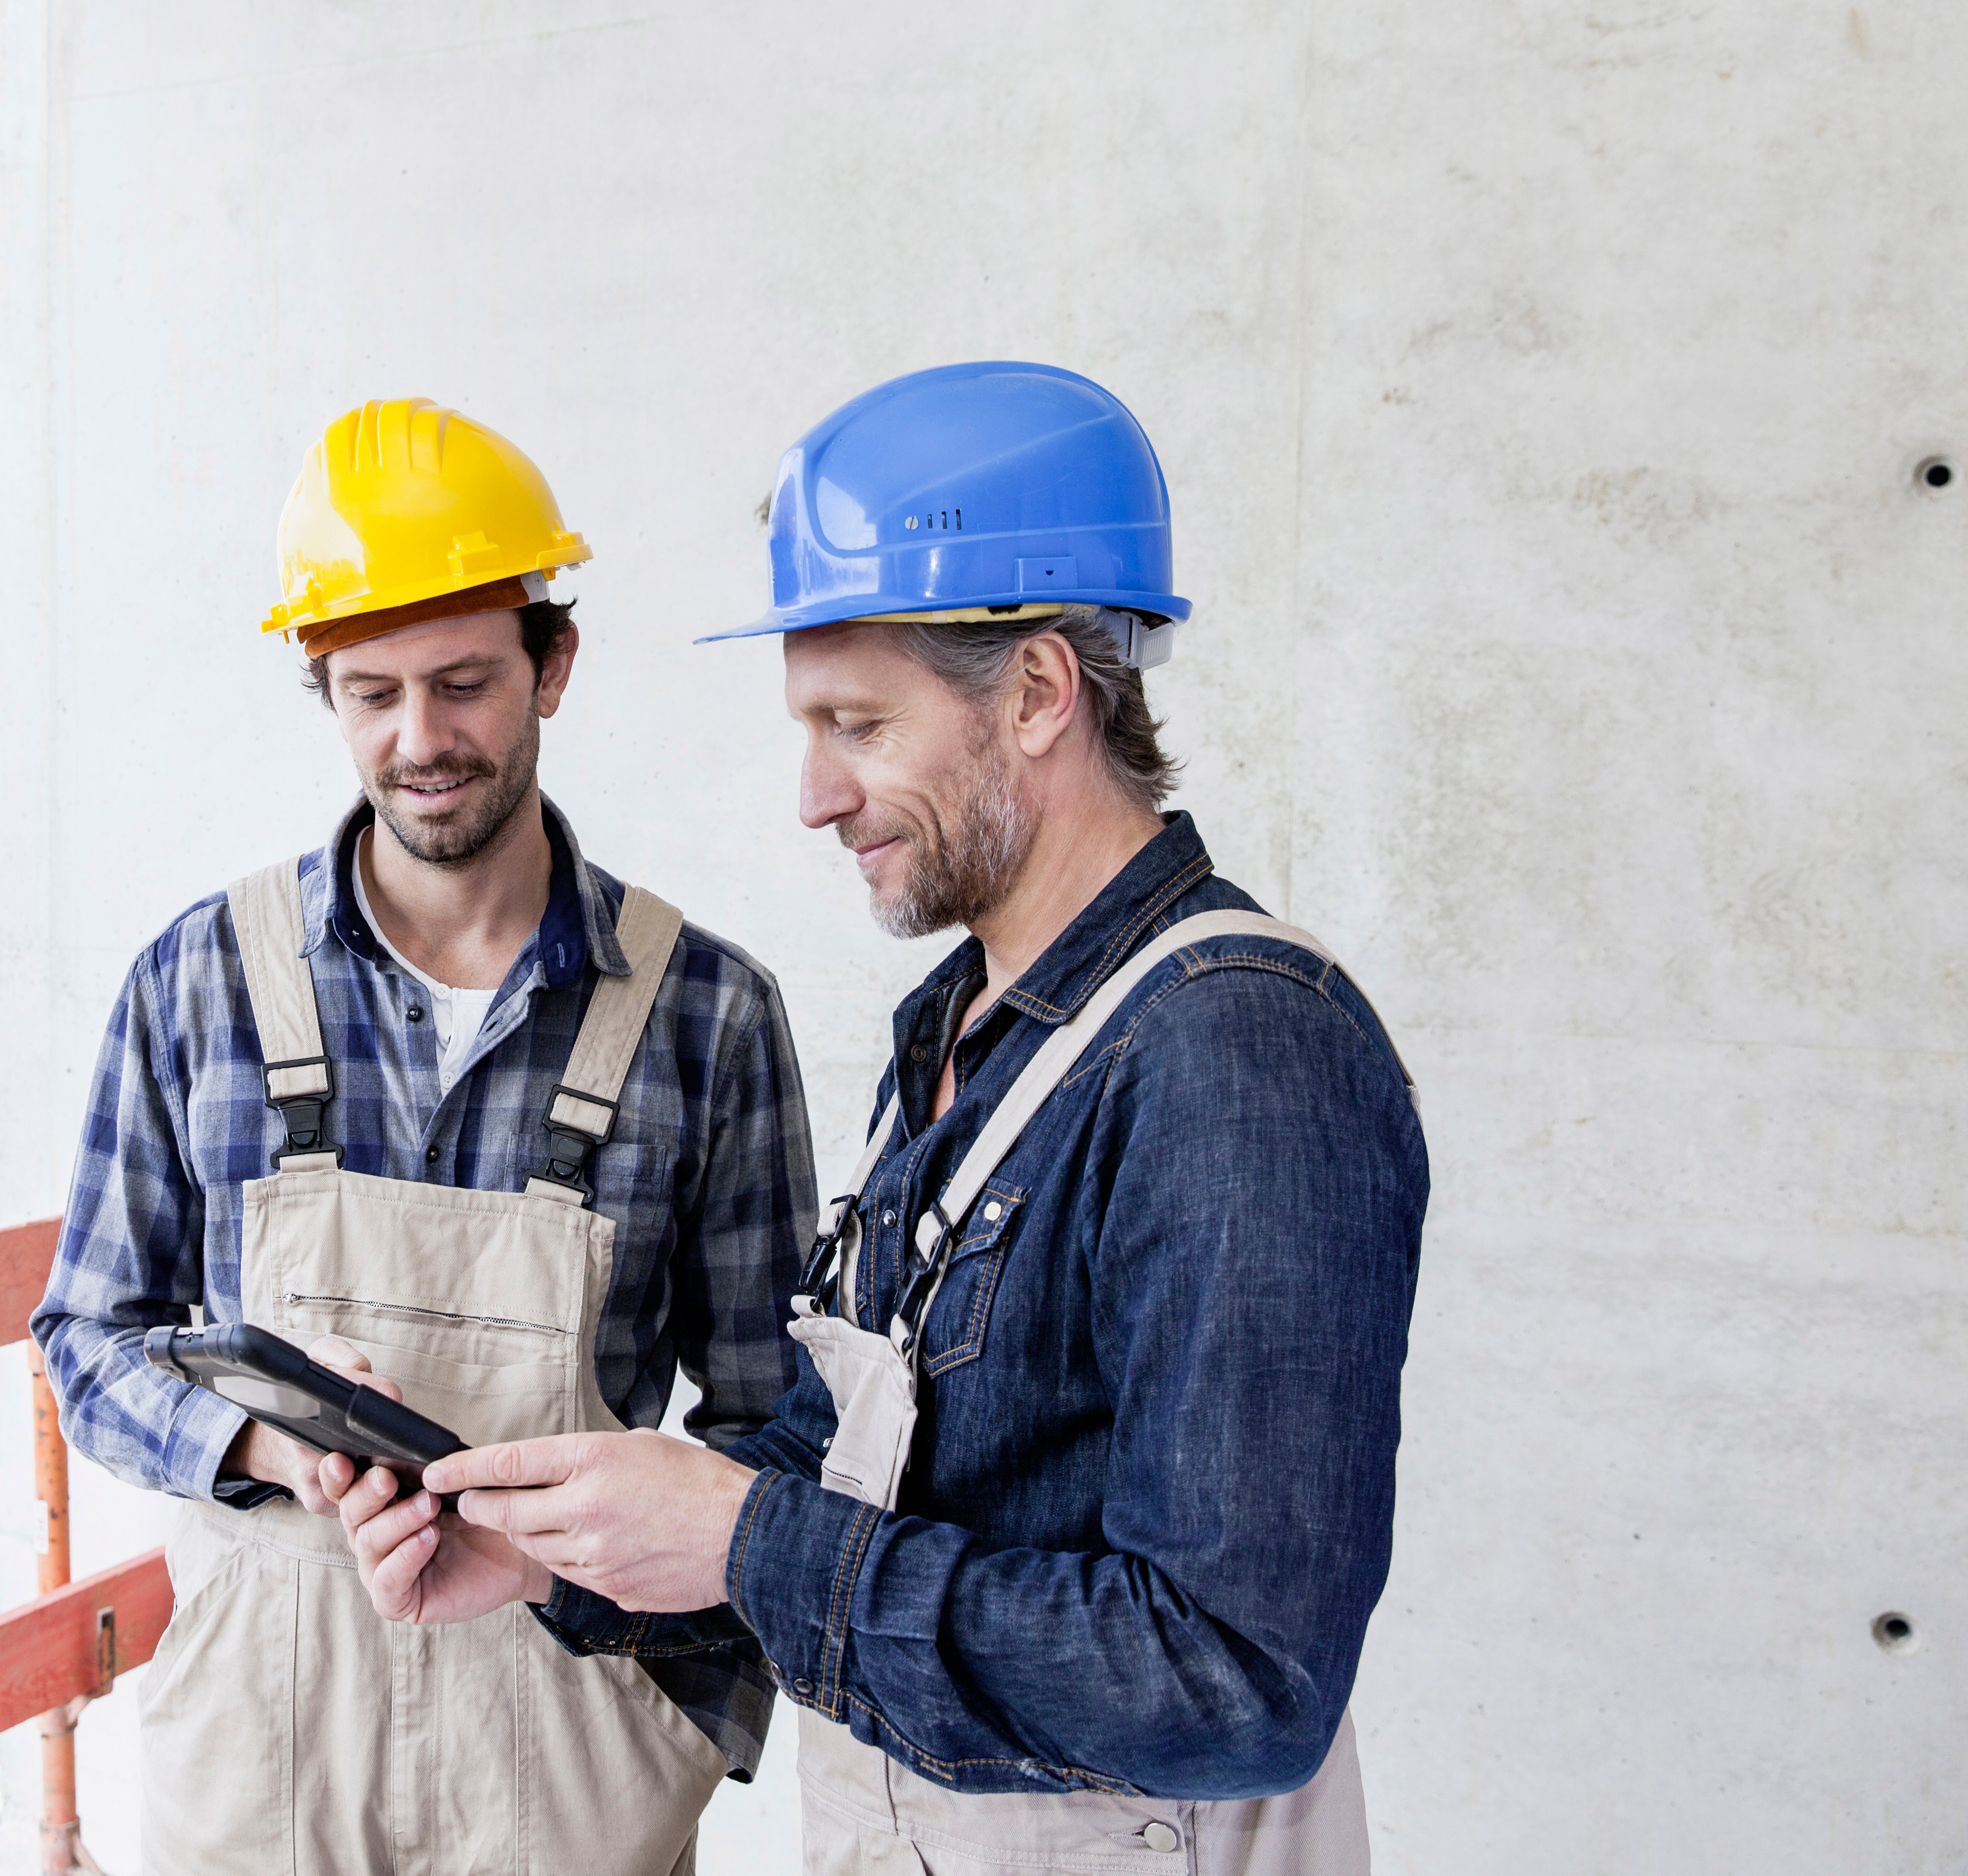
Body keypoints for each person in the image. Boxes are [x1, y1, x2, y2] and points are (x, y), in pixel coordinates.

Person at [331, 362, 1431, 1874]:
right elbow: (838, 1458)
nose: (814, 795)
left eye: (858, 724)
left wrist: (738, 1539)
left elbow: (1239, 1684)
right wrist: (557, 1557)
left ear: (1040, 692)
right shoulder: (957, 1033)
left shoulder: (1238, 1054)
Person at [31, 397, 820, 1876]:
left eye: (463, 683)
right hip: (266, 1744)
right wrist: (269, 1436)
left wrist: (657, 1670)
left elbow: (777, 1431)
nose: (419, 740)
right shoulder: (196, 983)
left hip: (568, 1730)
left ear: (554, 665)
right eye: (370, 691)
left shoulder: (707, 1015)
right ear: (319, 687)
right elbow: (87, 1341)